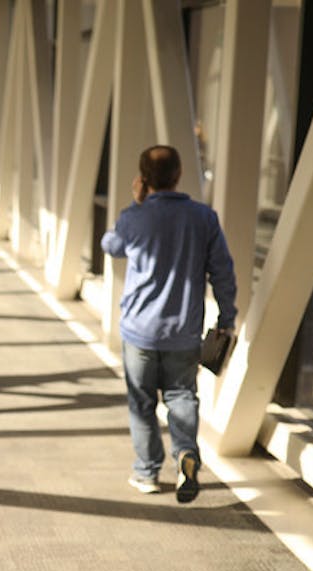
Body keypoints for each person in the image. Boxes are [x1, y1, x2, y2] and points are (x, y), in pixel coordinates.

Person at [100, 144, 236, 503]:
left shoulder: (135, 217)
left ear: (143, 179)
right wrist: (226, 317)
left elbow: (110, 245)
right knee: (181, 395)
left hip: (139, 330)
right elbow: (222, 272)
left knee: (142, 402)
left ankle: (146, 471)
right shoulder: (204, 218)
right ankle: (185, 453)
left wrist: (136, 204)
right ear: (178, 174)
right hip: (183, 331)